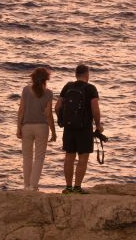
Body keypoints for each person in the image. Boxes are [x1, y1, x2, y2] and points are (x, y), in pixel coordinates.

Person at [55, 64, 103, 194]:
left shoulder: (68, 86)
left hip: (69, 127)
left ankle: (68, 187)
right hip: (84, 127)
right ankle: (77, 187)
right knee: (83, 157)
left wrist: (61, 120)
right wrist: (98, 125)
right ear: (87, 74)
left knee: (69, 156)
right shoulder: (90, 88)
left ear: (76, 74)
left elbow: (57, 106)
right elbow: (95, 109)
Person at [17, 67, 56, 191]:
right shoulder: (48, 93)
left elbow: (21, 110)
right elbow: (48, 114)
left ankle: (26, 185)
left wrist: (18, 127)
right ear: (46, 79)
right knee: (39, 157)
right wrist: (54, 132)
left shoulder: (26, 90)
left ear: (33, 78)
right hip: (42, 128)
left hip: (26, 127)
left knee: (27, 157)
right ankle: (33, 186)